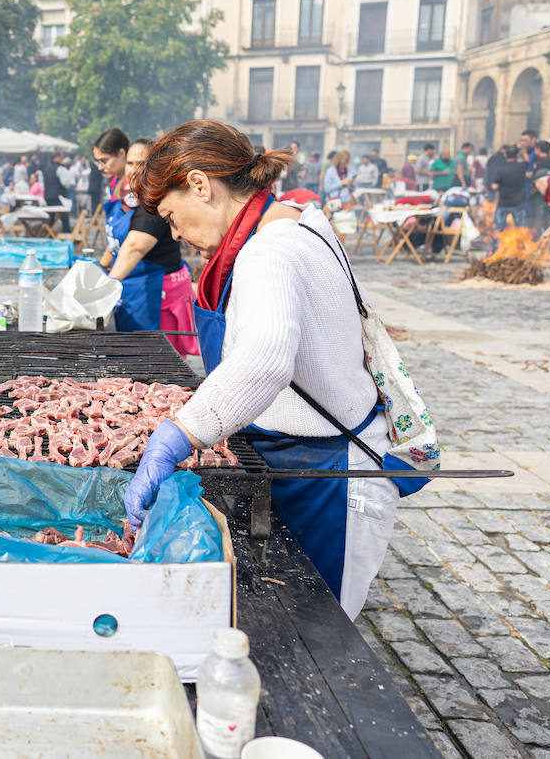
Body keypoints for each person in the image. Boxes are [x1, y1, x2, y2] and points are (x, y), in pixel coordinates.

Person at [125, 120, 406, 619]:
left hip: (331, 477)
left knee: (320, 640)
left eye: (172, 216)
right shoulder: (291, 221)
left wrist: (181, 431)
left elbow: (266, 358)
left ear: (198, 184)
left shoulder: (269, 251)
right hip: (296, 460)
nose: (175, 234)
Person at [102, 137, 186, 334]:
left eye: (142, 164)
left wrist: (105, 288)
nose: (134, 169)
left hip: (157, 293)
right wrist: (102, 266)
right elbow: (117, 241)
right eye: (130, 163)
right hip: (133, 288)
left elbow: (134, 247)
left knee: (158, 359)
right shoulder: (127, 196)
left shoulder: (155, 202)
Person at [488, 144, 530, 230]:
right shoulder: (521, 167)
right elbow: (527, 160)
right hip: (518, 203)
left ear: (505, 155)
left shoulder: (501, 169)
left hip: (504, 203)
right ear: (517, 155)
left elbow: (494, 186)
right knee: (520, 229)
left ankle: (496, 243)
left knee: (499, 229)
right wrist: (522, 150)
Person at [42, 149, 72, 231]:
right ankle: (67, 233)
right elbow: (65, 183)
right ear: (58, 157)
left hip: (47, 196)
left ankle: (48, 234)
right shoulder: (60, 168)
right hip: (58, 196)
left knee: (51, 216)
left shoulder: (46, 168)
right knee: (64, 216)